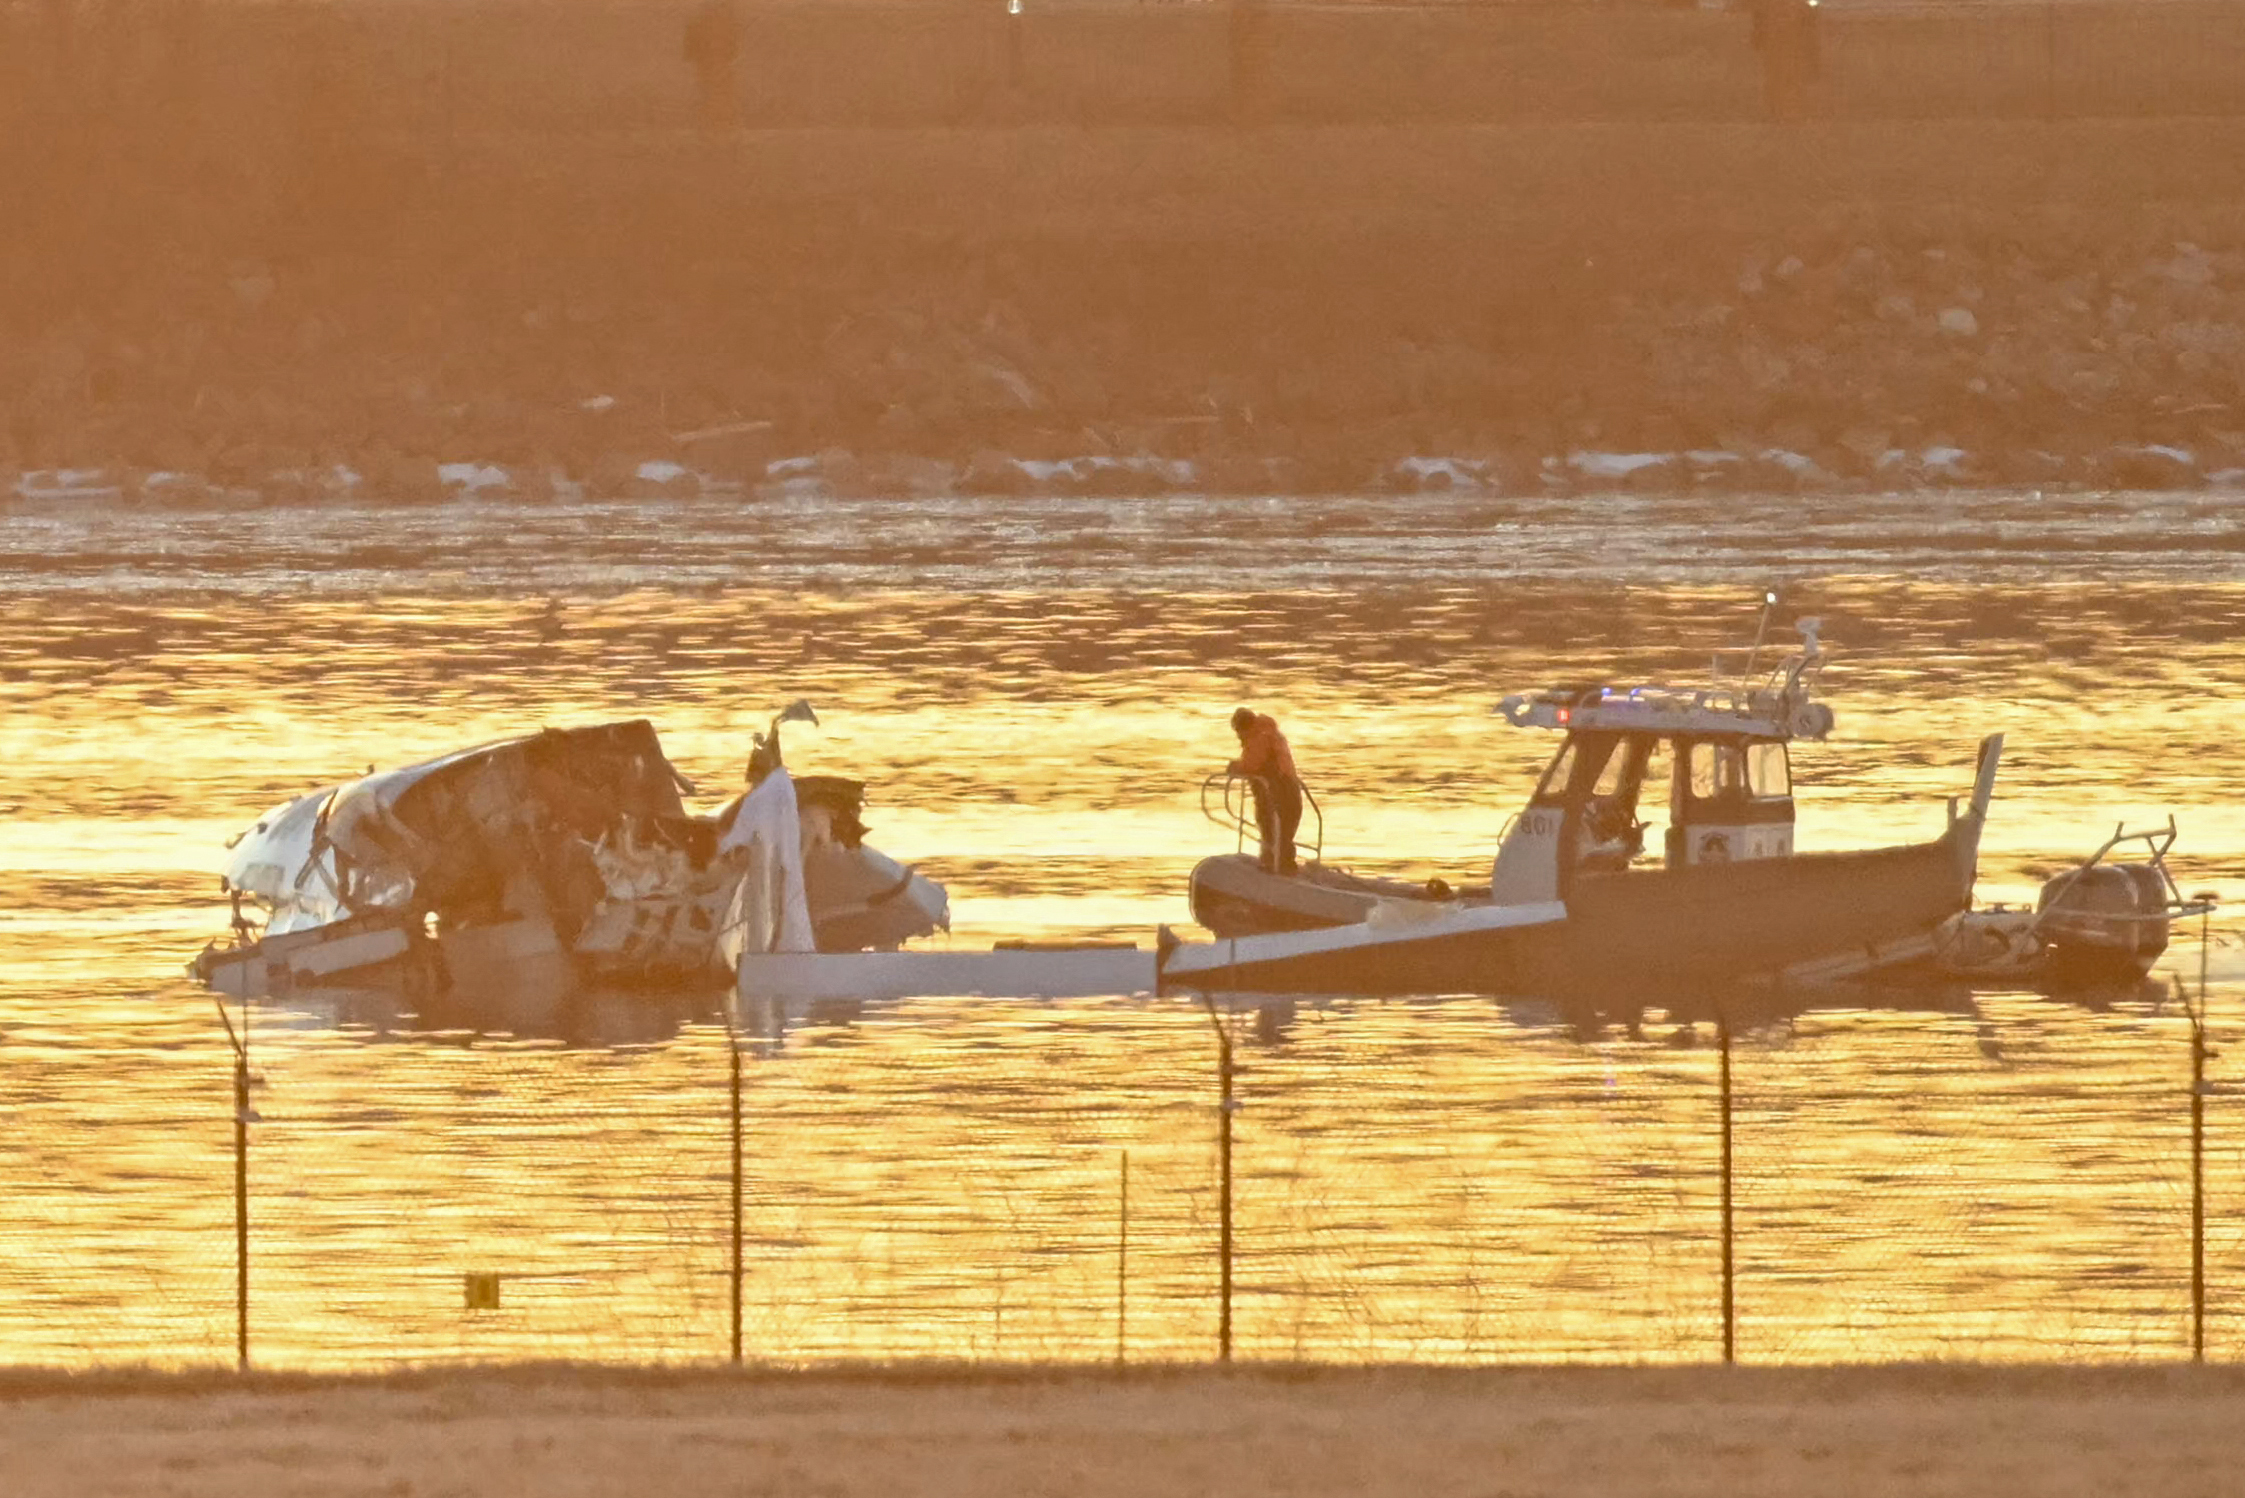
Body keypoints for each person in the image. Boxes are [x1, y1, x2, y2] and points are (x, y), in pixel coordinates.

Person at [1228, 706, 1303, 876]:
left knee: (1273, 830)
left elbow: (1250, 765)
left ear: (1242, 727)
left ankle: (1276, 868)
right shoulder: (1272, 733)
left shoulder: (1258, 737)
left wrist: (1233, 767)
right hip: (1290, 790)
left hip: (1276, 793)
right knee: (1282, 834)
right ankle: (1281, 865)